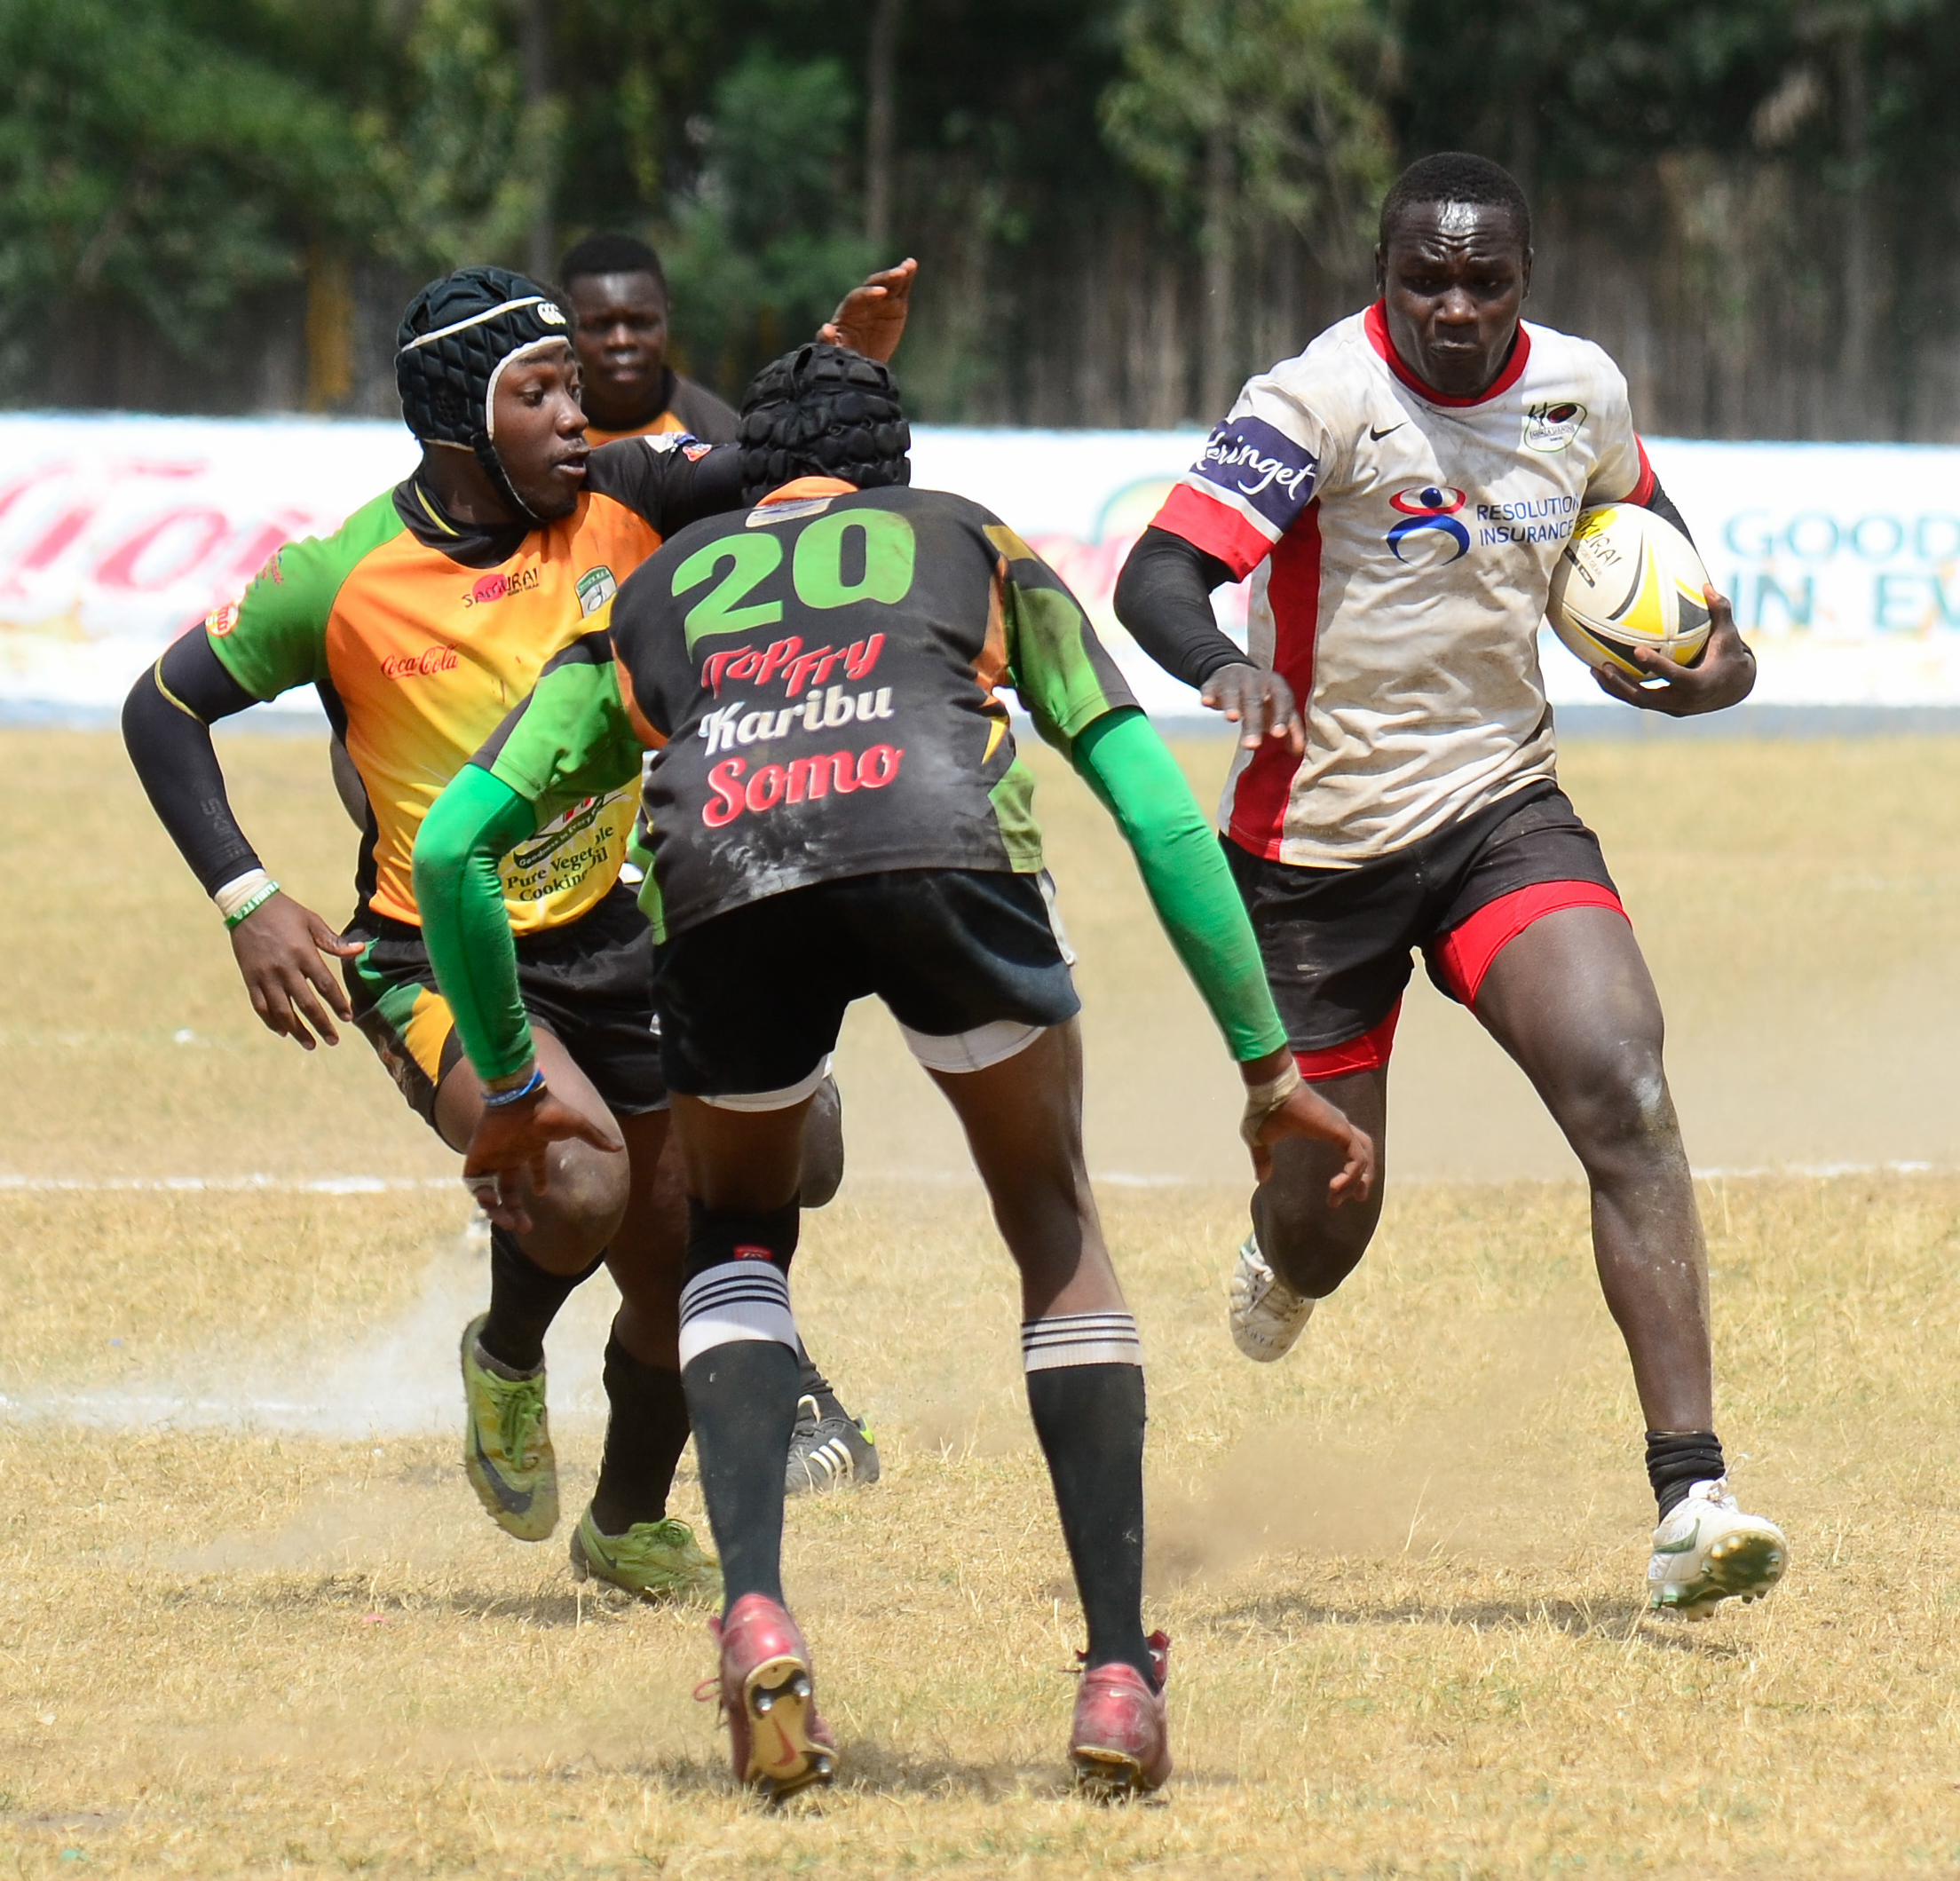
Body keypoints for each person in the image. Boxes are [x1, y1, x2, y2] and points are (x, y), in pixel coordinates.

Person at [409, 342, 1376, 1797]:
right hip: (942, 847)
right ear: (890, 472)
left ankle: (753, 1615)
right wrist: (1267, 1067)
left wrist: (507, 1077)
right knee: (1054, 1229)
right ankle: (1116, 1672)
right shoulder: (968, 541)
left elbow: (445, 850)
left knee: (736, 1242)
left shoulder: (648, 597)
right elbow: (1158, 816)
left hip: (729, 875)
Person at [121, 262, 909, 1604]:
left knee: (687, 1254)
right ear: (457, 423)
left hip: (617, 930)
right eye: (536, 391)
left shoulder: (624, 497)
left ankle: (623, 1520)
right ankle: (506, 1355)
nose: (571, 414)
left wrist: (846, 354)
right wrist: (248, 896)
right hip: (428, 949)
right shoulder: (344, 577)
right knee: (578, 1180)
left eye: (568, 388)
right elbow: (160, 707)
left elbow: (786, 471)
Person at [1113, 151, 1787, 1621]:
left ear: (1526, 281)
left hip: (1498, 813)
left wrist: (1703, 664)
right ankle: (1282, 1259)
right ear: (1384, 270)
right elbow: (1158, 573)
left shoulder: (1580, 393)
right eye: (1429, 276)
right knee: (1329, 1223)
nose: (1458, 306)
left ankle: (1693, 1496)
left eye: (1487, 280)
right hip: (1311, 858)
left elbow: (1650, 551)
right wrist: (1224, 663)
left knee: (1626, 1084)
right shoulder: (1318, 402)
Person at [557, 231, 921, 1491]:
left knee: (786, 1145)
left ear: (663, 326)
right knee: (673, 1138)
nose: (614, 349)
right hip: (577, 818)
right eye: (586, 334)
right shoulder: (546, 471)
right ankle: (773, 1385)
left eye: (637, 324)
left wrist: (830, 369)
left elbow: (815, 474)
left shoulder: (706, 445)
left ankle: (698, 1348)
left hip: (710, 806)